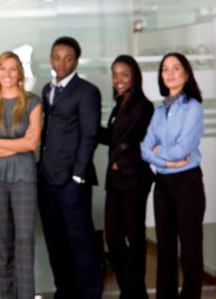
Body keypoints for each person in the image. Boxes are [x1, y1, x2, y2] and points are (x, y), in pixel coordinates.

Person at [37, 36, 102, 299]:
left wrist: (77, 176)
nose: (61, 63)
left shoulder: (87, 91)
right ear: (51, 58)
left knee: (80, 241)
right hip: (47, 179)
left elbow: (89, 136)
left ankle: (89, 294)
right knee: (56, 241)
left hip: (72, 182)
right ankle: (65, 291)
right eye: (56, 56)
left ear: (76, 61)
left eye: (68, 58)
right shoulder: (47, 89)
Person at [141, 52, 206, 299]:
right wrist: (167, 158)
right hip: (163, 185)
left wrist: (160, 153)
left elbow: (183, 149)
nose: (169, 73)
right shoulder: (159, 111)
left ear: (186, 73)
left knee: (190, 251)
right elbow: (145, 150)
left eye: (175, 68)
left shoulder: (193, 108)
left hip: (187, 184)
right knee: (165, 250)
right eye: (165, 69)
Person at [0, 51, 41, 299]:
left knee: (25, 241)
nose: (7, 74)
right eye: (2, 69)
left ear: (20, 73)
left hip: (25, 177)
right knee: (2, 242)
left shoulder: (33, 102)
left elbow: (32, 143)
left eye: (13, 68)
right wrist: (17, 143)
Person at [99, 55, 154, 299]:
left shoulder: (143, 105)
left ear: (134, 76)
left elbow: (136, 143)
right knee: (113, 236)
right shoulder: (119, 103)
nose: (118, 80)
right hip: (115, 181)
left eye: (124, 74)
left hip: (133, 180)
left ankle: (136, 292)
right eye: (115, 75)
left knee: (135, 237)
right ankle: (129, 290)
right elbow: (113, 137)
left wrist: (120, 162)